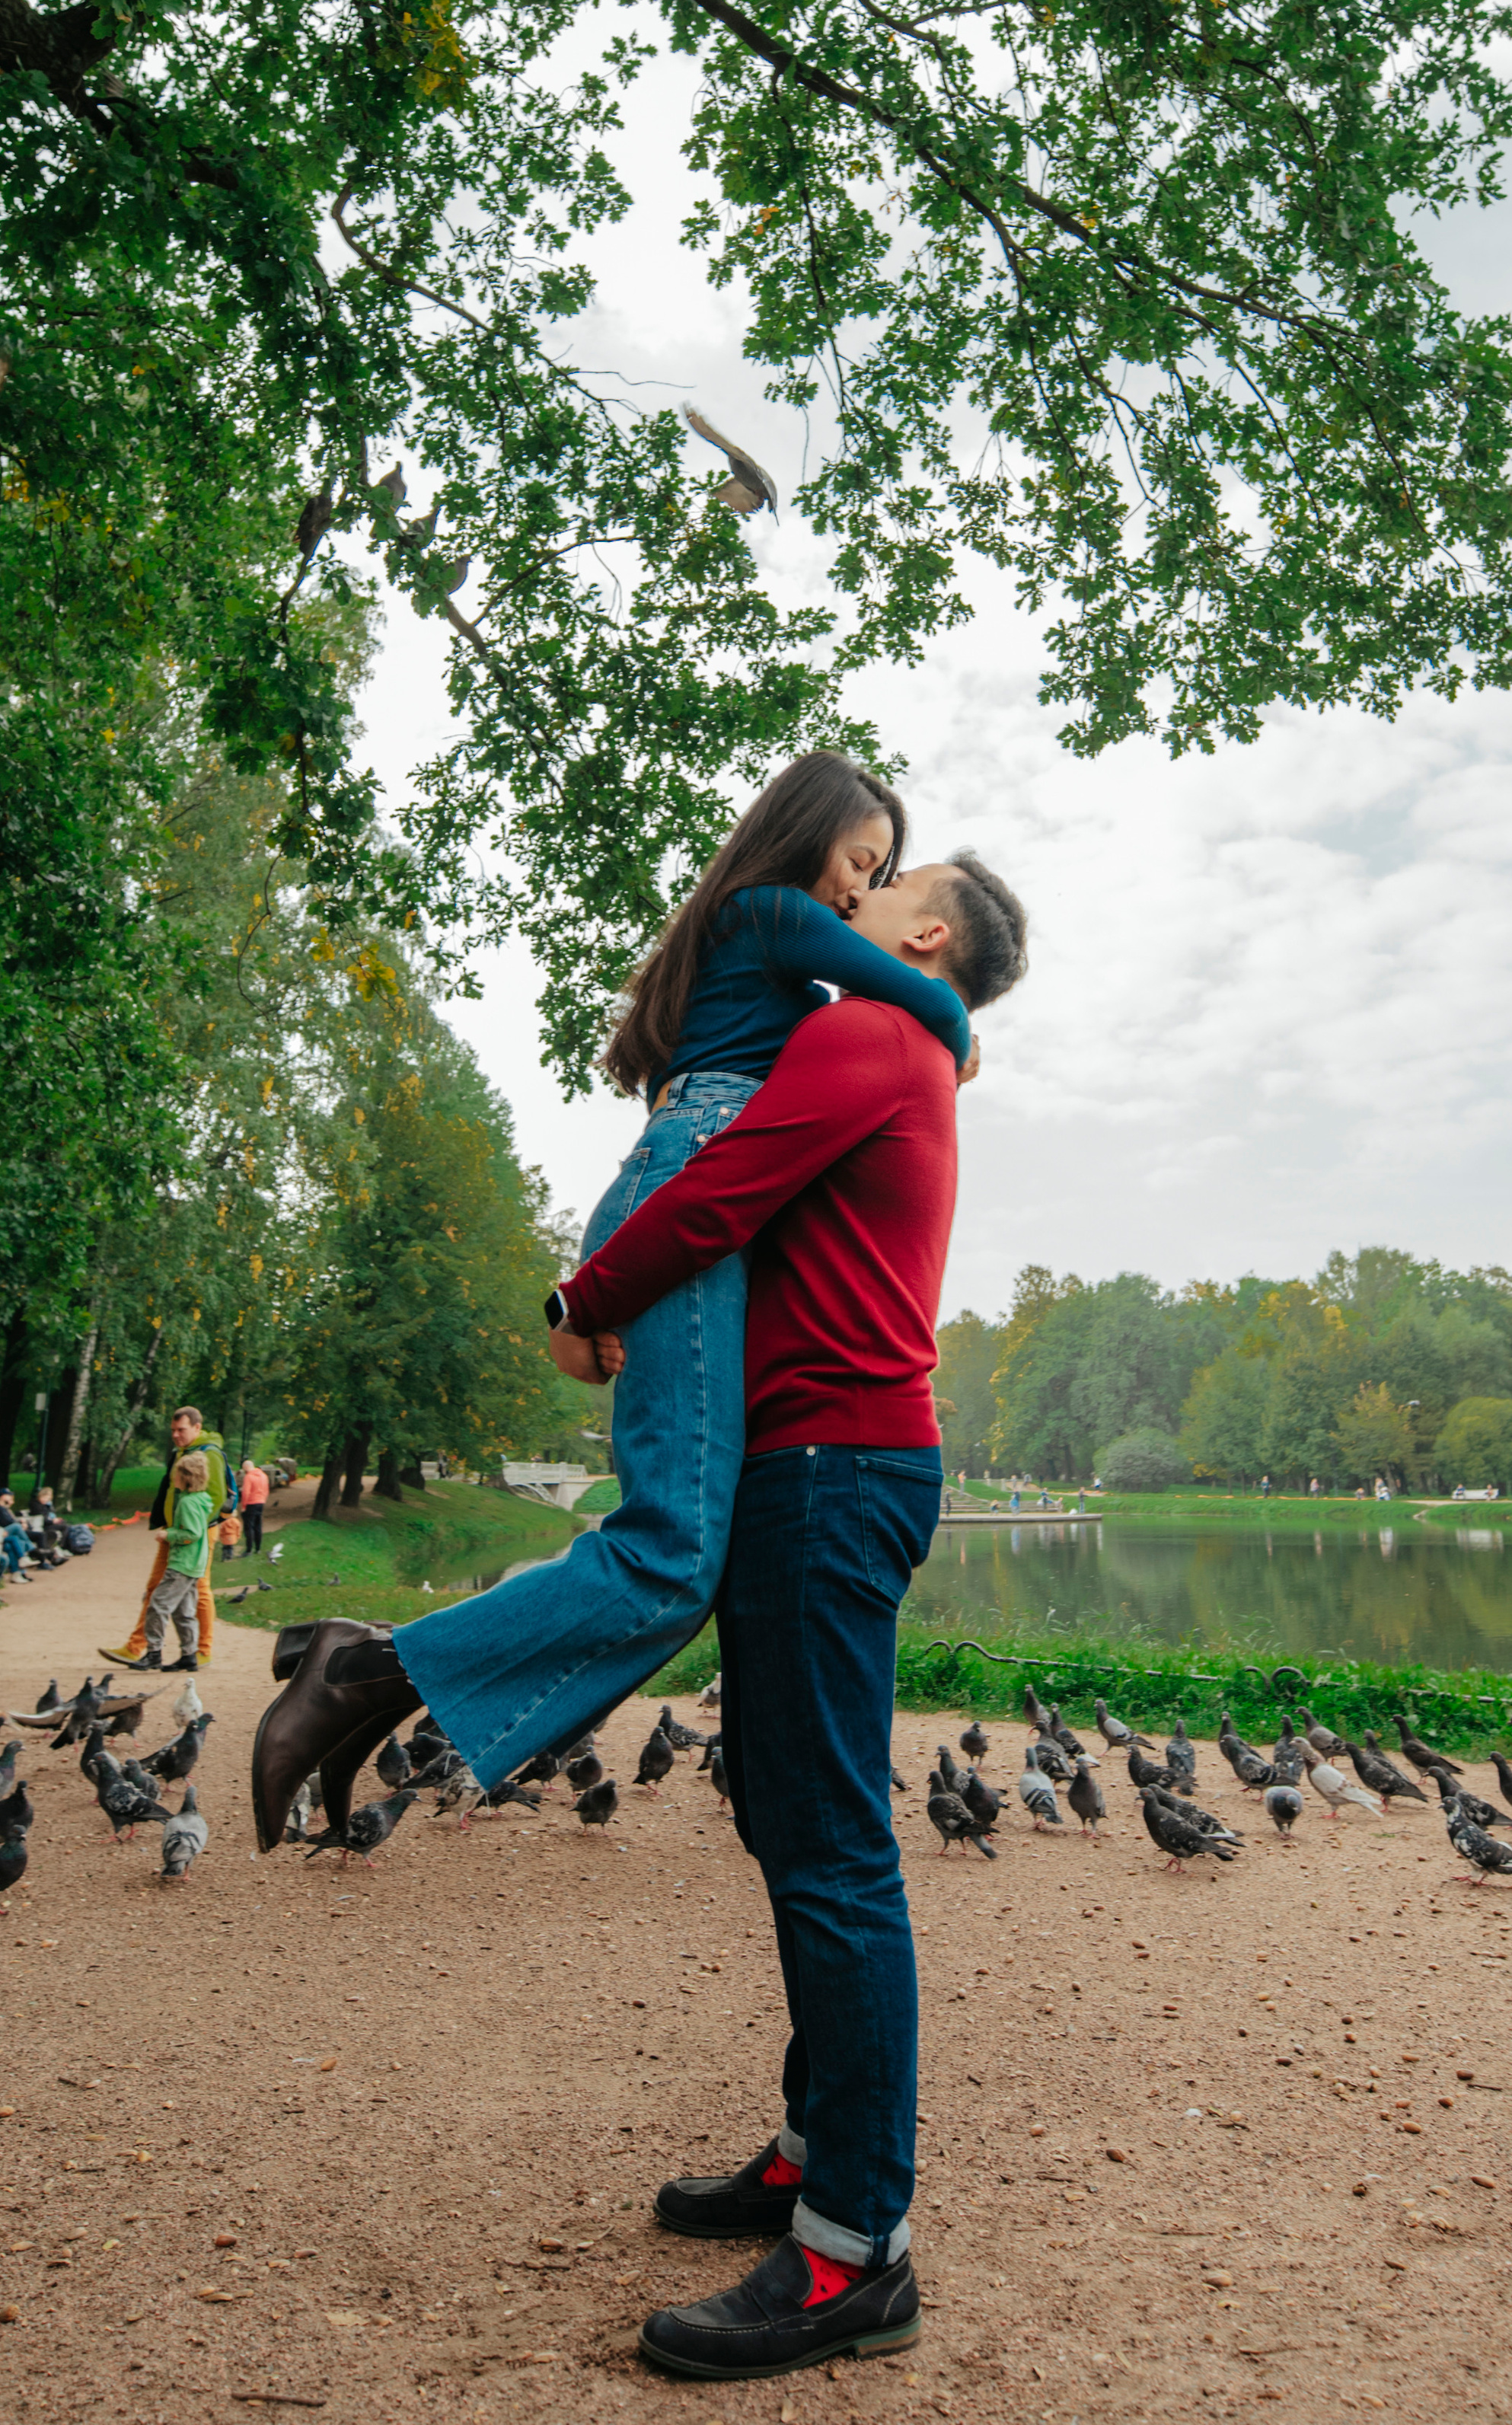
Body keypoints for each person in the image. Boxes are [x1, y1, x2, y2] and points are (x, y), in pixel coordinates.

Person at [257, 843, 1025, 2380]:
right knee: (796, 1829)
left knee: (830, 1855)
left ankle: (852, 2259)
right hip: (811, 1467)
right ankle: (817, 2157)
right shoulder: (882, 1034)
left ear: (922, 931)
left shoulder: (869, 1031)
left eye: (884, 888)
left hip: (827, 1470)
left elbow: (718, 1190)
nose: (851, 903)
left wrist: (579, 1303)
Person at [249, 750, 974, 1846]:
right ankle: (364, 1671)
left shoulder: (736, 943)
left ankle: (371, 1680)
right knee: (672, 1554)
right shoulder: (773, 911)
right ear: (806, 830)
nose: (859, 891)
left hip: (682, 1171)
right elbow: (921, 998)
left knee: (687, 1559)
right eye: (860, 861)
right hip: (691, 1184)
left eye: (883, 875)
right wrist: (958, 1035)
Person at [103, 1409, 228, 1668]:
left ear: (197, 1427)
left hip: (192, 1535)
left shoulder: (209, 1453)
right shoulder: (182, 1452)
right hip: (175, 1532)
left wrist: (189, 1530)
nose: (175, 1435)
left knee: (198, 1591)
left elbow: (215, 1497)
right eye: (172, 1430)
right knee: (155, 1588)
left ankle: (199, 1650)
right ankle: (137, 1647)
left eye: (181, 1430)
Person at [141, 1452, 211, 1670]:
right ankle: (189, 1655)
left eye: (177, 1474)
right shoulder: (201, 1499)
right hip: (194, 1565)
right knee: (184, 1612)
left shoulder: (188, 1503)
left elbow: (193, 1533)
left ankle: (154, 1652)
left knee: (157, 1605)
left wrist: (168, 1534)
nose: (173, 1478)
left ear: (186, 1476)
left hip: (182, 1564)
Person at [238, 1452, 271, 1557]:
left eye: (244, 1469)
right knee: (258, 1526)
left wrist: (243, 1506)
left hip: (251, 1503)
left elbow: (246, 1492)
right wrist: (263, 1499)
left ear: (247, 1467)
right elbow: (267, 1490)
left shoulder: (249, 1477)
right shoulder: (264, 1476)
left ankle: (249, 1550)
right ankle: (258, 1548)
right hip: (261, 1502)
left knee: (249, 1527)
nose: (244, 1471)